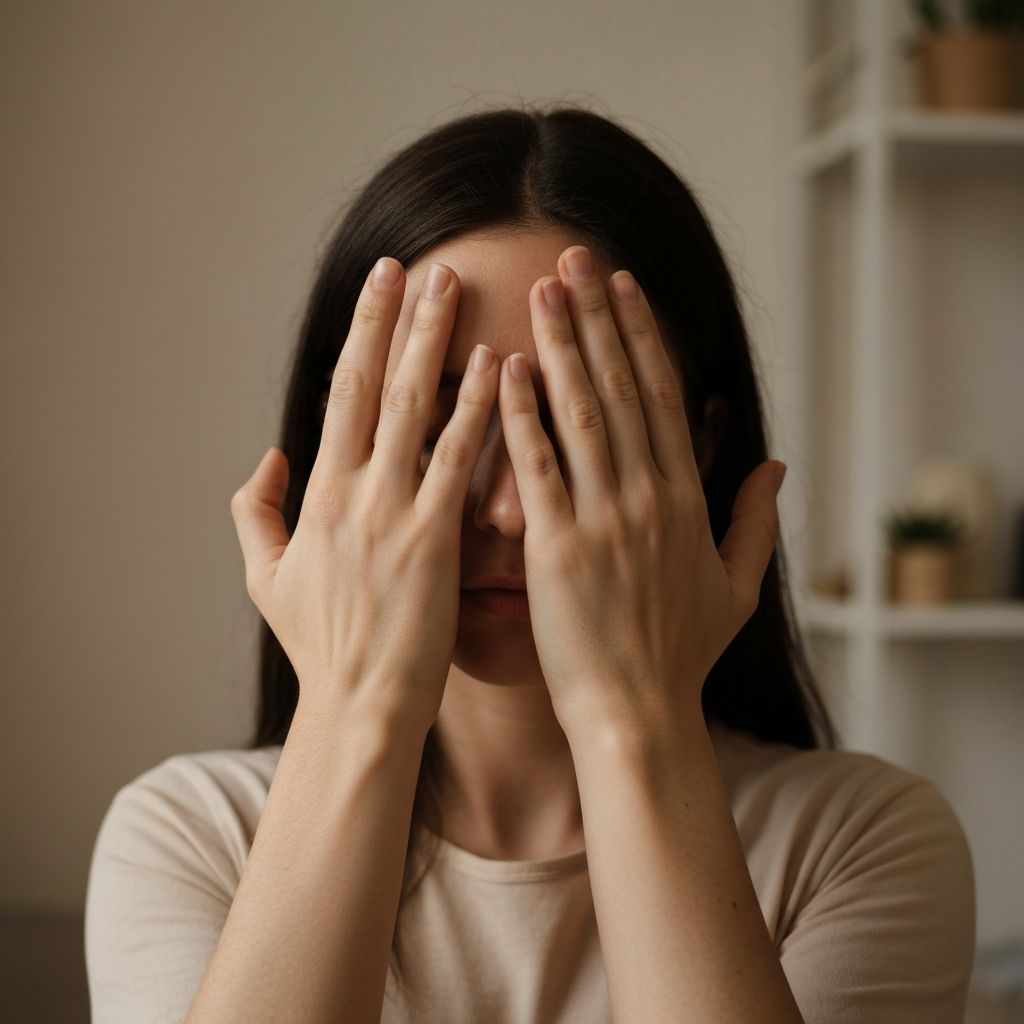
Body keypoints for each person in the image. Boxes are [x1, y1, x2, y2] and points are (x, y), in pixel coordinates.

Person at [84, 104, 976, 1024]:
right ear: (345, 446)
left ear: (698, 444)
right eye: (439, 432)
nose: (511, 511)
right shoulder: (190, 836)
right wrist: (358, 709)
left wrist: (632, 717)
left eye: (580, 425)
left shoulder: (860, 840)